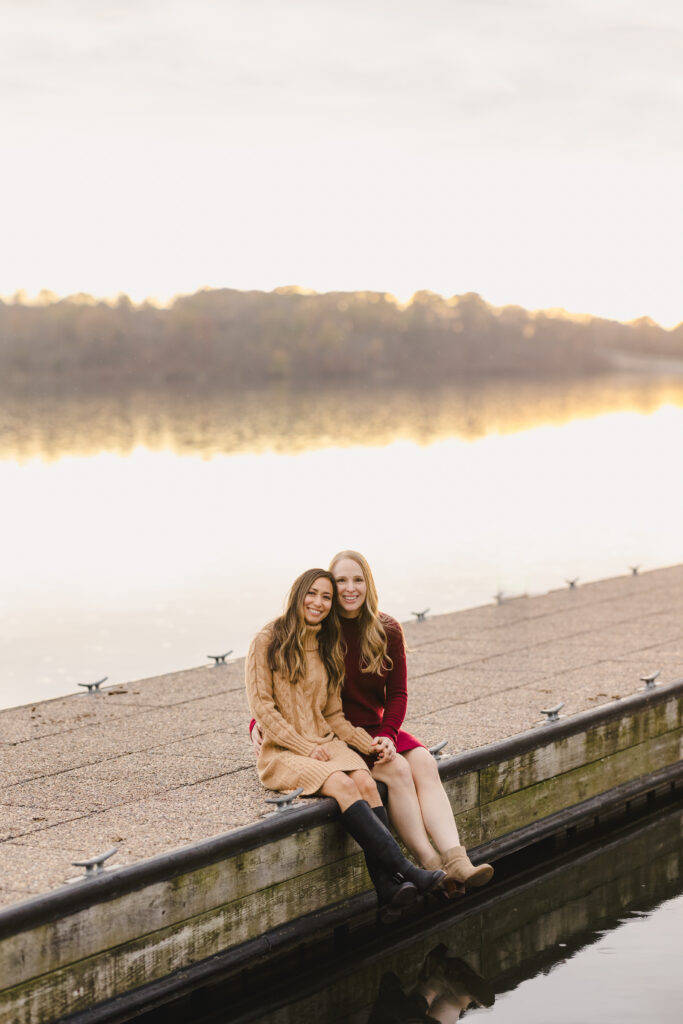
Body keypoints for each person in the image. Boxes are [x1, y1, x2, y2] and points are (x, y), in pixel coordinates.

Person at [250, 552, 493, 894]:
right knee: (397, 772)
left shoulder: (385, 629)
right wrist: (256, 724)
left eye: (358, 580)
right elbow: (281, 689)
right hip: (334, 733)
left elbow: (397, 694)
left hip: (369, 729)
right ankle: (430, 865)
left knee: (423, 760)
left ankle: (456, 860)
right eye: (340, 582)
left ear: (369, 584)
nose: (349, 589)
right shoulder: (320, 631)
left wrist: (389, 736)